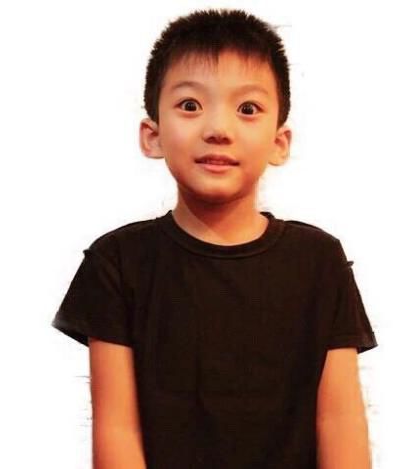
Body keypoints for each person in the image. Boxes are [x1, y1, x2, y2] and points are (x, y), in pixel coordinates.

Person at [52, 8, 378, 469]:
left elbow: (339, 421)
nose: (218, 130)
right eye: (190, 105)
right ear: (152, 135)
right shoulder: (118, 262)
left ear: (279, 142)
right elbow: (117, 429)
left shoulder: (318, 260)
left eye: (248, 109)